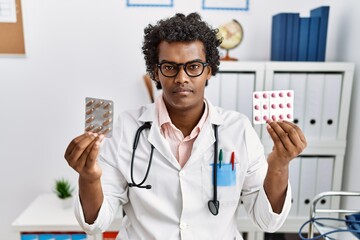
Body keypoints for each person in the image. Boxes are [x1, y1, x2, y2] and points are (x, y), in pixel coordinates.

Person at [64, 12, 307, 240]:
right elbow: (95, 224)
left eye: (193, 66)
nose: (182, 78)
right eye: (169, 67)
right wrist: (89, 178)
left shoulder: (238, 130)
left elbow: (267, 222)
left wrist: (278, 165)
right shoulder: (127, 129)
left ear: (208, 71)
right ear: (156, 73)